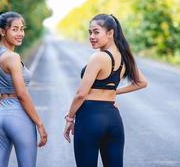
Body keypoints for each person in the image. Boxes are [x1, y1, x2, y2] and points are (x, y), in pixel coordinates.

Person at [63, 14, 147, 167]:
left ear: (110, 33)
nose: (91, 36)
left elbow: (81, 94)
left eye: (96, 32)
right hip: (113, 119)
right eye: (90, 32)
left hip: (90, 119)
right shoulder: (124, 57)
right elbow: (141, 82)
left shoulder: (98, 57)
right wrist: (114, 92)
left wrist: (69, 118)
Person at [0, 11, 47, 167]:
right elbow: (22, 94)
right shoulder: (13, 57)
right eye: (15, 29)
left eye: (22, 29)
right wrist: (39, 123)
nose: (20, 33)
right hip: (19, 117)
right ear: (2, 31)